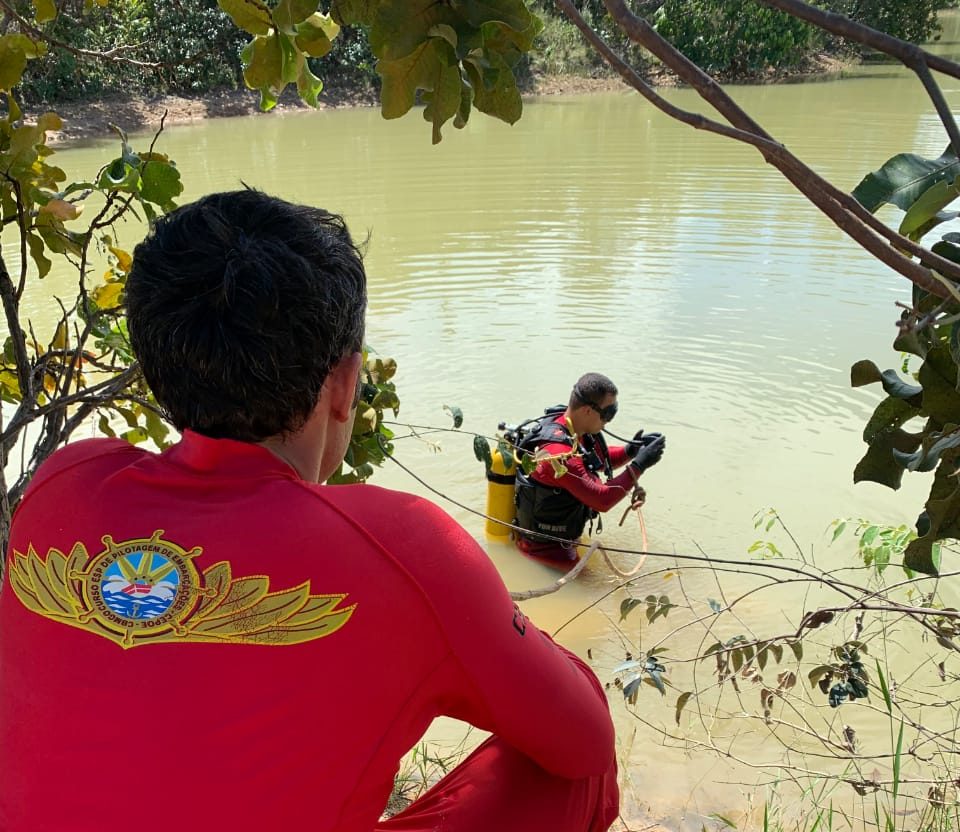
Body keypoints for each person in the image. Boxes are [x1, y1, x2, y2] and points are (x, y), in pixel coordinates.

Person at [0, 190, 619, 832]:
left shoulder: (63, 483)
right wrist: (484, 624)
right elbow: (585, 740)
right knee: (577, 771)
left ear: (159, 366)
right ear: (347, 384)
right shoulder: (407, 548)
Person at [513, 373, 666, 562]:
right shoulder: (559, 455)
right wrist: (639, 465)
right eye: (608, 412)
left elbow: (597, 459)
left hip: (562, 541)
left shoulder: (571, 427)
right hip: (546, 552)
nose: (609, 420)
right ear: (587, 410)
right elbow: (602, 500)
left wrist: (630, 451)